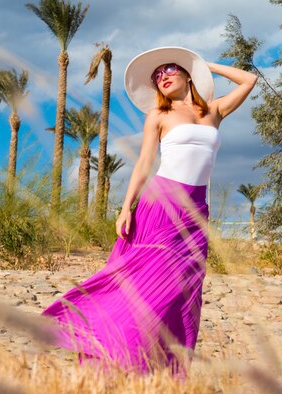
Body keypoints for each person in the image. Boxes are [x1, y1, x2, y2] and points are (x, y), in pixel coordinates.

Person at [41, 46, 257, 376]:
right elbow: (143, 163)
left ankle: (165, 368)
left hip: (197, 213)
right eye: (157, 76)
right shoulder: (159, 115)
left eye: (170, 69)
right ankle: (111, 348)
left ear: (186, 74)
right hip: (161, 204)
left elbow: (249, 80)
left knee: (184, 292)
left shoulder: (213, 111)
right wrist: (126, 208)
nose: (163, 76)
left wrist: (202, 65)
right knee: (141, 281)